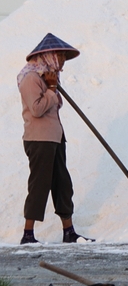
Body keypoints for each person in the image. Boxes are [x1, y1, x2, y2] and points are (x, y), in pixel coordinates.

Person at [17, 33, 94, 244]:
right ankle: (28, 234)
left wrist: (52, 86)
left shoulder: (48, 77)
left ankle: (69, 232)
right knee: (39, 184)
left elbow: (54, 105)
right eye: (60, 56)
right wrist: (51, 89)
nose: (62, 61)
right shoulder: (31, 78)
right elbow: (37, 109)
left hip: (55, 137)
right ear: (49, 55)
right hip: (39, 139)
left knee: (62, 184)